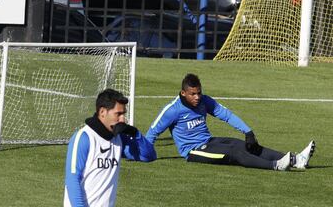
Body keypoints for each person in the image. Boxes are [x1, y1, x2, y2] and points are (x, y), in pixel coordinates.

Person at [146, 73, 315, 171]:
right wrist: (144, 153)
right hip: (194, 152)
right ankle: (276, 165)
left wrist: (248, 132)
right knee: (234, 153)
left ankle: (296, 159)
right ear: (183, 93)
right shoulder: (172, 110)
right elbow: (153, 131)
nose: (197, 97)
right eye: (193, 94)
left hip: (209, 141)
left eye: (199, 93)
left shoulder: (205, 101)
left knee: (244, 145)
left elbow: (226, 115)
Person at [64, 88, 156, 207]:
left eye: (124, 114)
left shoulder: (118, 139)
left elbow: (149, 156)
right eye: (118, 114)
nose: (122, 119)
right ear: (102, 112)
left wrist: (134, 132)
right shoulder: (84, 138)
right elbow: (72, 180)